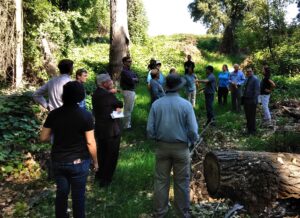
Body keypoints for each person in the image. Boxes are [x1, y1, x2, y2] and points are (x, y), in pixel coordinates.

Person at [40, 81, 98, 218]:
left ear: (63, 95)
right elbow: (90, 142)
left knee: (61, 193)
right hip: (79, 161)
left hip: (58, 160)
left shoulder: (54, 114)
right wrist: (95, 161)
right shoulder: (86, 115)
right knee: (78, 197)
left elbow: (43, 137)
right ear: (81, 96)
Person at [147, 73, 199, 218]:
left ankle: (159, 212)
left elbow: (150, 130)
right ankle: (182, 213)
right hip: (181, 148)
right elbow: (193, 130)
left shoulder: (157, 104)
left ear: (167, 87)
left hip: (162, 147)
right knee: (182, 181)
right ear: (179, 88)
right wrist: (191, 141)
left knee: (161, 181)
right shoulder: (186, 105)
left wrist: (156, 139)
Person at [92, 74, 123, 187]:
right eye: (110, 81)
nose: (111, 82)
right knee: (111, 155)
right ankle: (106, 180)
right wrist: (116, 102)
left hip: (101, 129)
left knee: (102, 153)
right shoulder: (106, 95)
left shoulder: (97, 93)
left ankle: (99, 176)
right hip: (111, 130)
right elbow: (119, 104)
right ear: (104, 83)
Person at [120, 56, 139, 130]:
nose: (130, 63)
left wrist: (134, 79)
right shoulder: (124, 72)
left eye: (131, 61)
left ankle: (127, 124)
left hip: (131, 91)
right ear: (124, 62)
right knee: (128, 109)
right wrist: (134, 79)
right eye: (128, 61)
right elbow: (131, 81)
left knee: (129, 109)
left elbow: (137, 79)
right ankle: (126, 126)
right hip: (128, 91)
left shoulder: (130, 71)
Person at [242, 67, 260, 135]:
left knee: (252, 116)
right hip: (246, 100)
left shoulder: (255, 79)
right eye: (247, 71)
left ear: (252, 71)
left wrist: (254, 100)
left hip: (252, 101)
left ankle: (253, 131)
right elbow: (244, 88)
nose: (248, 73)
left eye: (250, 71)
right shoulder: (247, 79)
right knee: (247, 116)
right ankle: (249, 130)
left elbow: (257, 91)